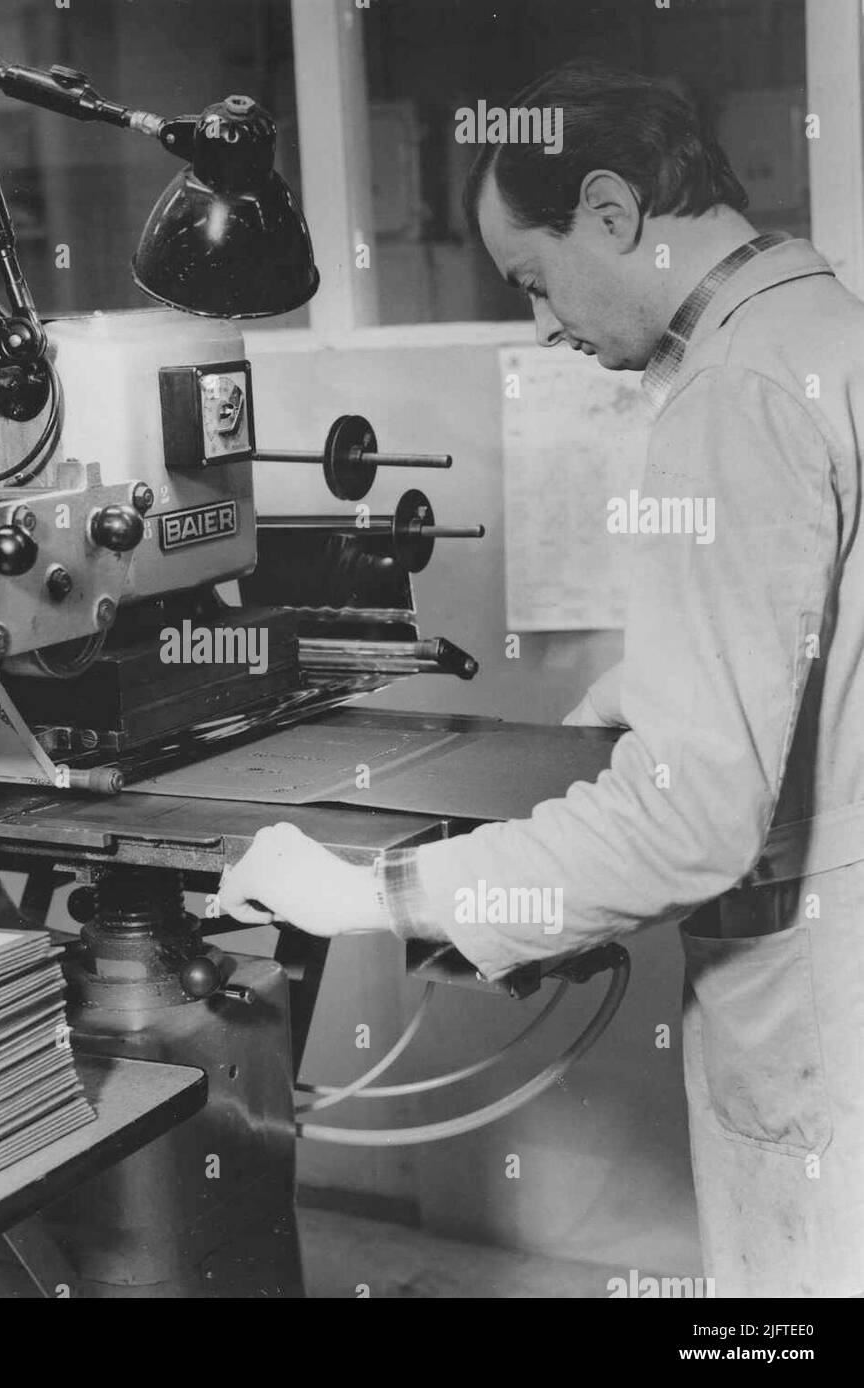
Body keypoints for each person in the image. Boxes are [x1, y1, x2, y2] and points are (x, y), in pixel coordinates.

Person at [219, 61, 864, 1297]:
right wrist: (650, 685)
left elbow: (690, 820)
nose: (543, 327)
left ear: (613, 213)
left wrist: (381, 890)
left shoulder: (729, 395)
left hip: (820, 1002)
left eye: (535, 279)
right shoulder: (826, 334)